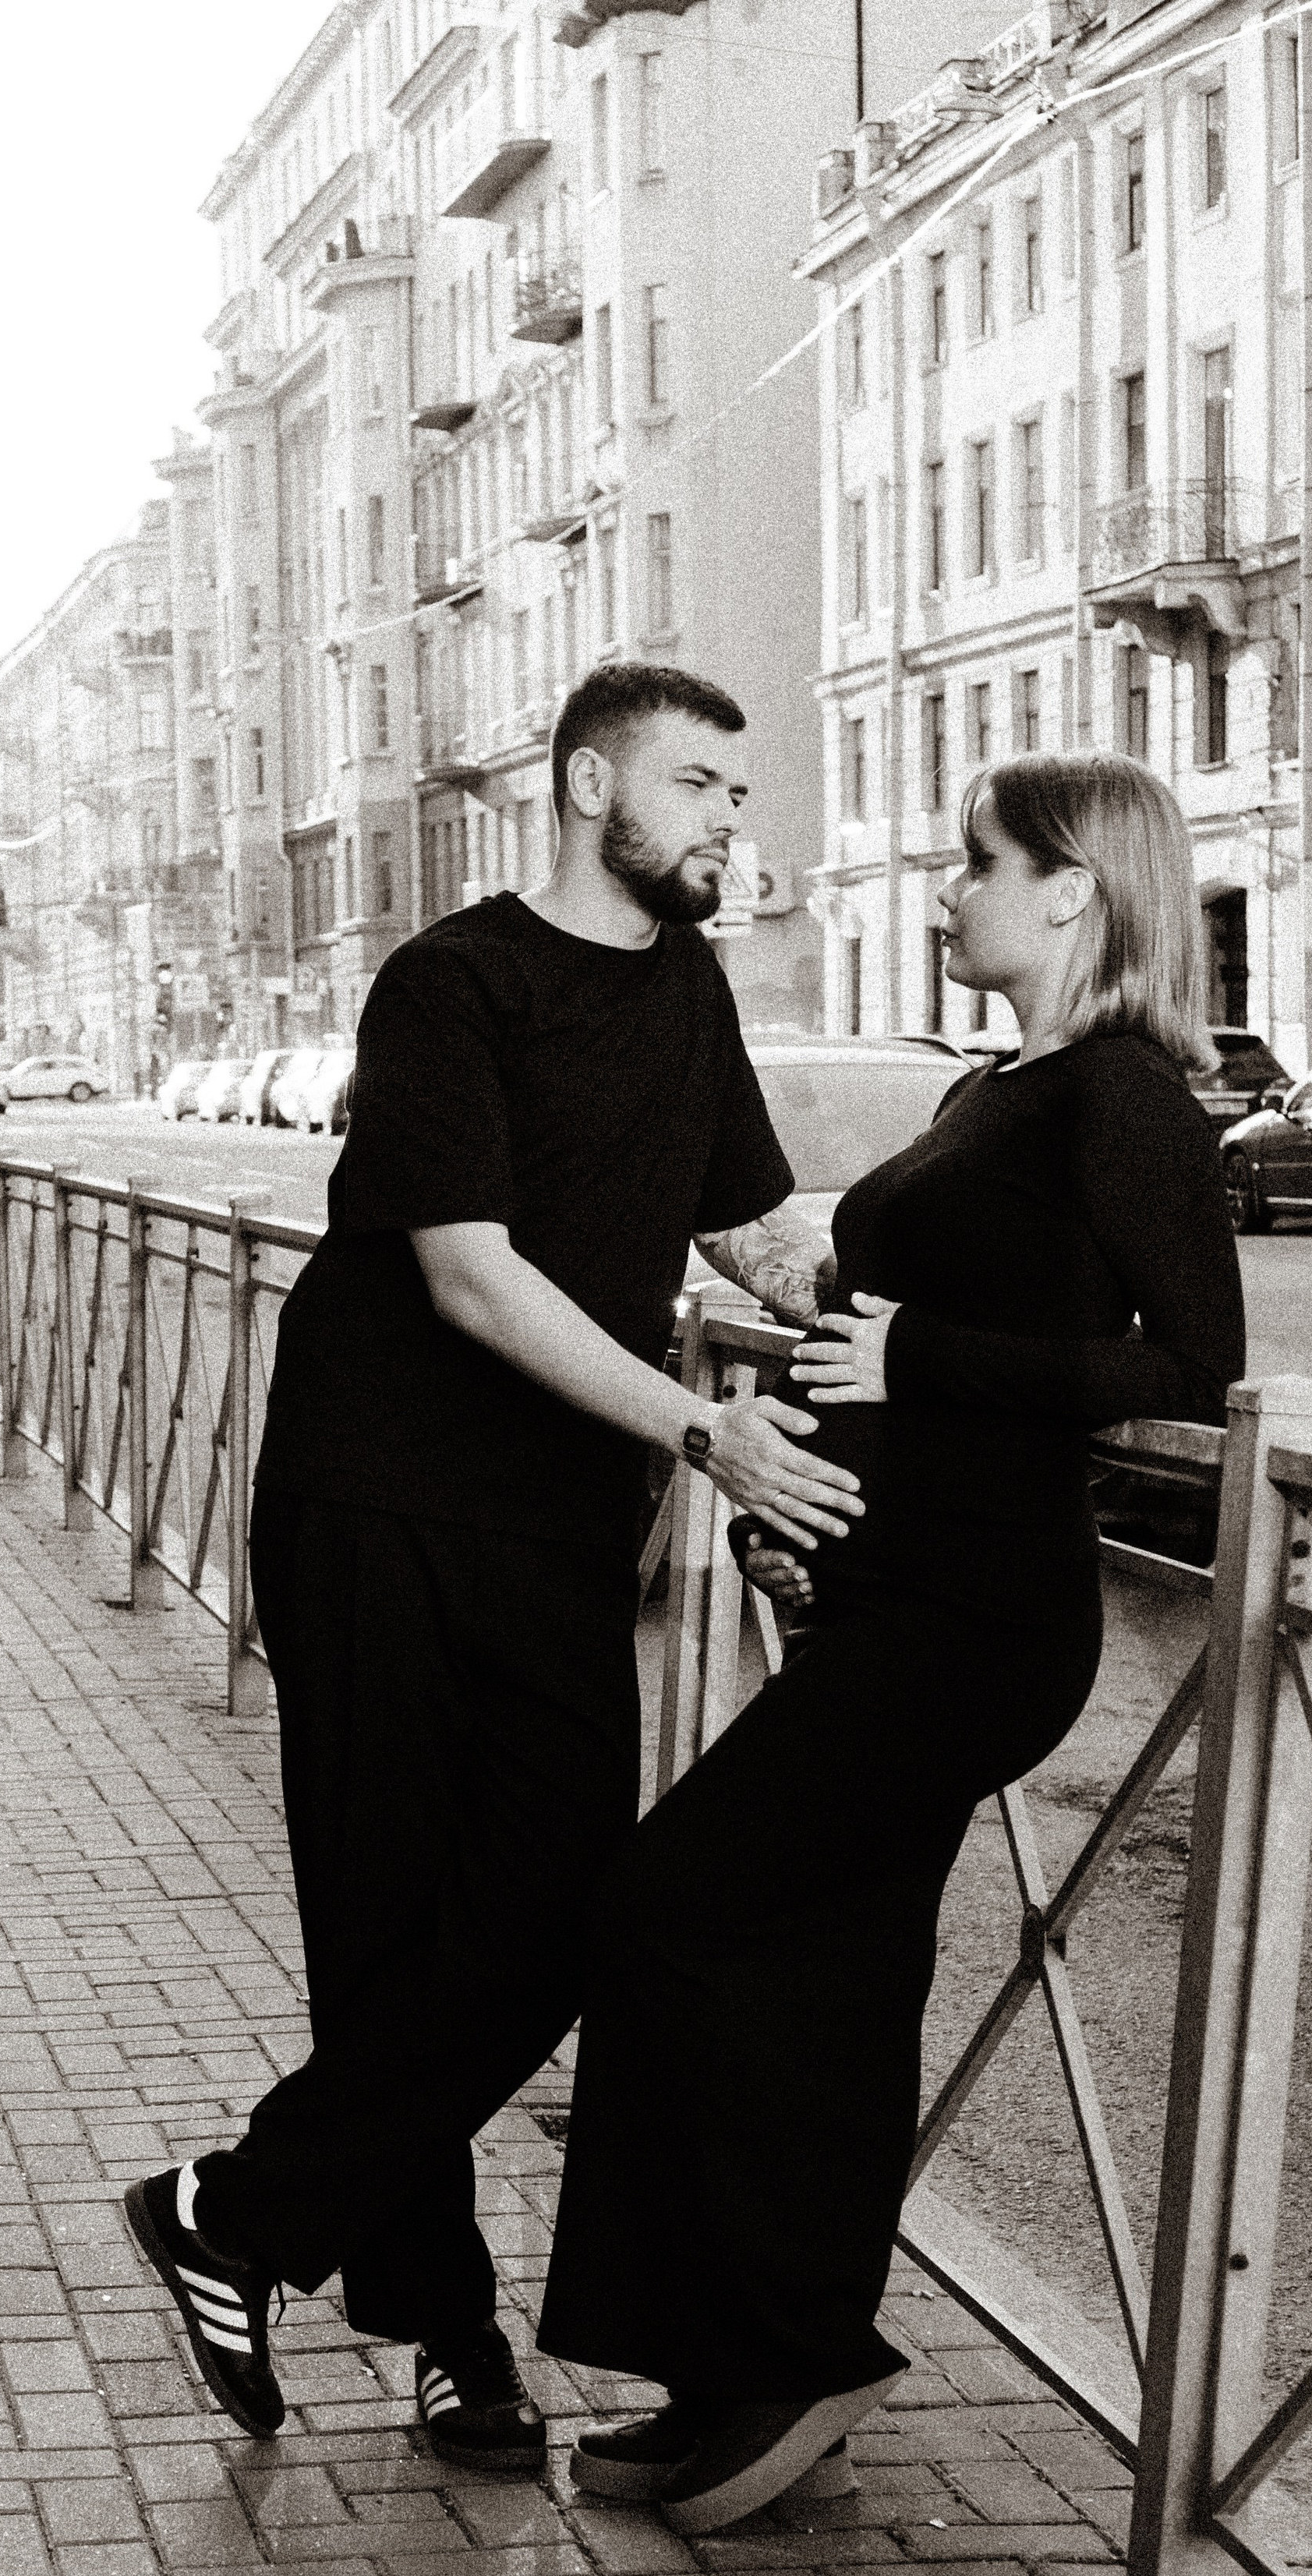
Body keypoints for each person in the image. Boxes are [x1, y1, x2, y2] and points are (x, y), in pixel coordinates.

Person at [125, 663, 864, 2470]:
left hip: (552, 1522)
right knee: (388, 1927)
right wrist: (703, 1432)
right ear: (585, 779)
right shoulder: (447, 980)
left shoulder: (682, 987)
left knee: (552, 1915)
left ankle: (229, 2211)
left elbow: (751, 1230)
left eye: (730, 793)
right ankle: (451, 2334)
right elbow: (464, 1270)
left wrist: (923, 1327)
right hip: (372, 1501)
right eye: (695, 784)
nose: (722, 823)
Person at [537, 752, 1247, 2525]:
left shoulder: (1124, 1096)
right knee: (821, 1979)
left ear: (1072, 890)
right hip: (881, 1595)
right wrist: (799, 1420)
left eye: (973, 864)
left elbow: (1187, 1366)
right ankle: (732, 2374)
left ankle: (796, 2350)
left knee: (663, 1912)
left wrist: (913, 1363)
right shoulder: (1001, 1085)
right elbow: (906, 1309)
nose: (942, 891)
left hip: (976, 1620)